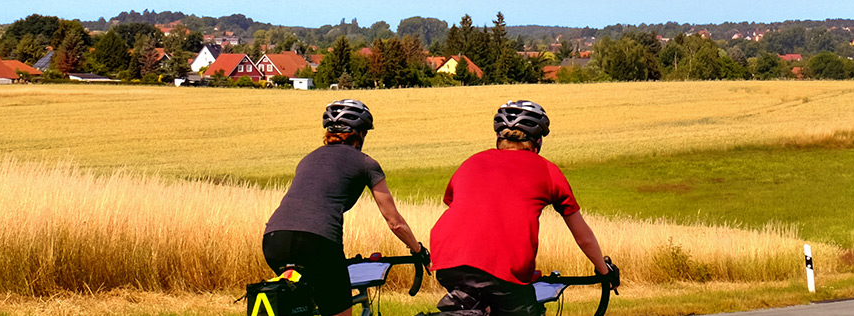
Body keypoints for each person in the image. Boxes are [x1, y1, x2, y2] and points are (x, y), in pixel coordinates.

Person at [430, 100, 613, 316]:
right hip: (505, 268)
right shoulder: (547, 169)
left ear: (499, 137)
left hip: (447, 262)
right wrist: (604, 271)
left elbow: (462, 208)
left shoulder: (471, 162)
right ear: (537, 141)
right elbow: (583, 237)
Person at [263, 99, 429, 316]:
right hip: (318, 243)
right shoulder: (366, 163)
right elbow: (394, 222)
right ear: (360, 134)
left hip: (274, 240)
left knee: (299, 304)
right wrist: (418, 250)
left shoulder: (308, 159)